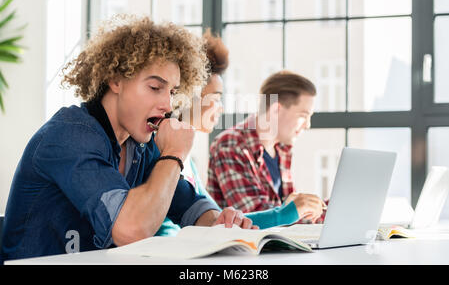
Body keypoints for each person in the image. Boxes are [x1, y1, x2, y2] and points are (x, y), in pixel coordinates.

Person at [0, 16, 254, 263]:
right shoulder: (68, 137)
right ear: (116, 80)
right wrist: (174, 154)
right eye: (155, 88)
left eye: (172, 92)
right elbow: (131, 230)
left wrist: (221, 222)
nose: (167, 104)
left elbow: (191, 205)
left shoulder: (140, 146)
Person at [156, 30, 323, 236]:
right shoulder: (164, 152)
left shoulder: (186, 157)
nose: (221, 108)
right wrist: (288, 213)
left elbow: (215, 221)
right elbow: (214, 225)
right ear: (190, 95)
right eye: (215, 98)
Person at [207, 69, 326, 223]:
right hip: (244, 245)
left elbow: (287, 209)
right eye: (303, 116)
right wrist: (309, 212)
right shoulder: (231, 145)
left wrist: (325, 208)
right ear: (276, 109)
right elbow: (256, 216)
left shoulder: (282, 150)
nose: (307, 125)